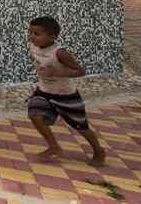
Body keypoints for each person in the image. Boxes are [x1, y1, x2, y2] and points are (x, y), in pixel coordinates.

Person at [27, 16, 105, 166]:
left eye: (36, 34)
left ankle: (98, 151)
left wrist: (57, 73)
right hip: (44, 91)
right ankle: (54, 147)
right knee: (35, 115)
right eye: (30, 32)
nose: (32, 37)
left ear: (52, 36)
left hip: (66, 95)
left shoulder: (60, 53)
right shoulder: (33, 46)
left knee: (80, 126)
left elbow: (80, 71)